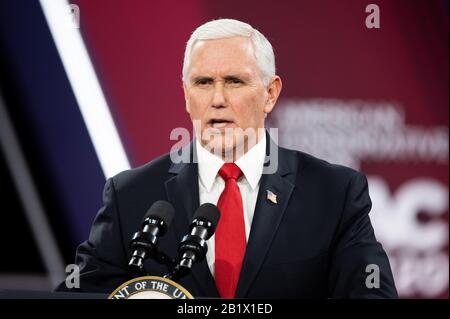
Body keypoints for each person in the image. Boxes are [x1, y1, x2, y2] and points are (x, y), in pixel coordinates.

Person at [55, 19, 397, 298]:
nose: (218, 99)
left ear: (270, 93)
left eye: (234, 81)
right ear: (187, 95)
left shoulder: (333, 193)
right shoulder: (130, 194)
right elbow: (78, 293)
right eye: (203, 82)